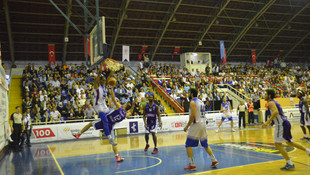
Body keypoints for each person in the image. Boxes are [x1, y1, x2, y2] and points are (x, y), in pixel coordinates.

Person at [74, 87, 136, 162]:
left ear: (125, 106)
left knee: (90, 124)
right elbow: (131, 111)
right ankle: (117, 157)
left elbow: (113, 98)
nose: (124, 104)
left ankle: (78, 134)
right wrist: (133, 104)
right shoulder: (125, 115)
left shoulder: (119, 107)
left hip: (104, 121)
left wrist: (112, 89)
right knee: (113, 142)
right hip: (111, 126)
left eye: (125, 104)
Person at [262, 88, 310, 170]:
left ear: (269, 95)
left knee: (277, 144)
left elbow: (276, 112)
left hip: (281, 125)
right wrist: (272, 122)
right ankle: (308, 151)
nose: (264, 95)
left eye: (265, 94)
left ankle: (289, 163)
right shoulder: (274, 102)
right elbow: (278, 113)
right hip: (284, 123)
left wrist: (267, 122)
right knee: (289, 143)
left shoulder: (270, 102)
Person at [183, 88, 219, 170]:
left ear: (192, 94)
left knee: (188, 145)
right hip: (203, 124)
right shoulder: (201, 101)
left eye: (188, 93)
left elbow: (193, 116)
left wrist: (187, 126)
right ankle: (214, 160)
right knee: (205, 144)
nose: (187, 94)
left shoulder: (193, 102)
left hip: (196, 124)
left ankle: (191, 164)